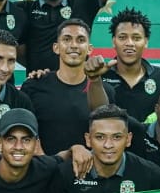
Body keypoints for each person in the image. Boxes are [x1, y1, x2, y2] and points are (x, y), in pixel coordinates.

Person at [20, 19, 114, 154]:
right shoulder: (33, 86)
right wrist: (45, 163)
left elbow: (106, 129)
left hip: (90, 166)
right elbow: (23, 133)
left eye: (80, 40)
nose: (74, 45)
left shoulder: (105, 91)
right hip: (45, 165)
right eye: (67, 39)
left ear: (90, 49)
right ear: (56, 47)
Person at [47, 105, 160, 193]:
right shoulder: (66, 173)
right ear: (88, 139)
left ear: (128, 139)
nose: (108, 145)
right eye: (100, 137)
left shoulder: (148, 173)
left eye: (117, 137)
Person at [102, 7, 160, 122]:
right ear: (113, 41)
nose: (129, 43)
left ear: (146, 42)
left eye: (136, 38)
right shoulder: (100, 77)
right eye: (122, 37)